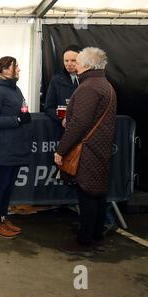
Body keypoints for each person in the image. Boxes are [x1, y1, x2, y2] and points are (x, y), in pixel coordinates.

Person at [54, 47, 117, 255]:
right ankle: (97, 235)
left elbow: (80, 123)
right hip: (100, 147)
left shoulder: (89, 87)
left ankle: (84, 241)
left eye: (78, 61)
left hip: (88, 149)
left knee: (87, 195)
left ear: (88, 65)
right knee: (97, 193)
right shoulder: (104, 84)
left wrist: (61, 150)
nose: (74, 64)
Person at [0, 57, 33, 238]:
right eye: (15, 67)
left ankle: (2, 217)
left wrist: (23, 115)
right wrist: (17, 120)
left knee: (9, 186)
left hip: (16, 146)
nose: (18, 70)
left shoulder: (15, 89)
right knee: (0, 185)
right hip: (3, 147)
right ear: (4, 70)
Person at [44, 45, 81, 127]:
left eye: (73, 60)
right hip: (63, 127)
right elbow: (49, 107)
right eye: (66, 61)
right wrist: (61, 119)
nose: (69, 64)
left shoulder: (87, 79)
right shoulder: (56, 80)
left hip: (84, 126)